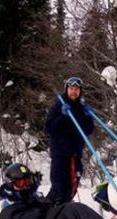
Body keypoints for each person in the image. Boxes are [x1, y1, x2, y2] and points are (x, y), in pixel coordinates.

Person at [44, 76, 95, 204]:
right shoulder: (58, 106)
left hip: (75, 155)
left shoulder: (81, 108)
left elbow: (88, 130)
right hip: (60, 155)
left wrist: (88, 117)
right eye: (71, 89)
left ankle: (64, 216)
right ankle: (45, 213)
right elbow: (49, 128)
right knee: (58, 190)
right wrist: (62, 116)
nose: (74, 92)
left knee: (72, 189)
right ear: (67, 90)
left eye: (77, 89)